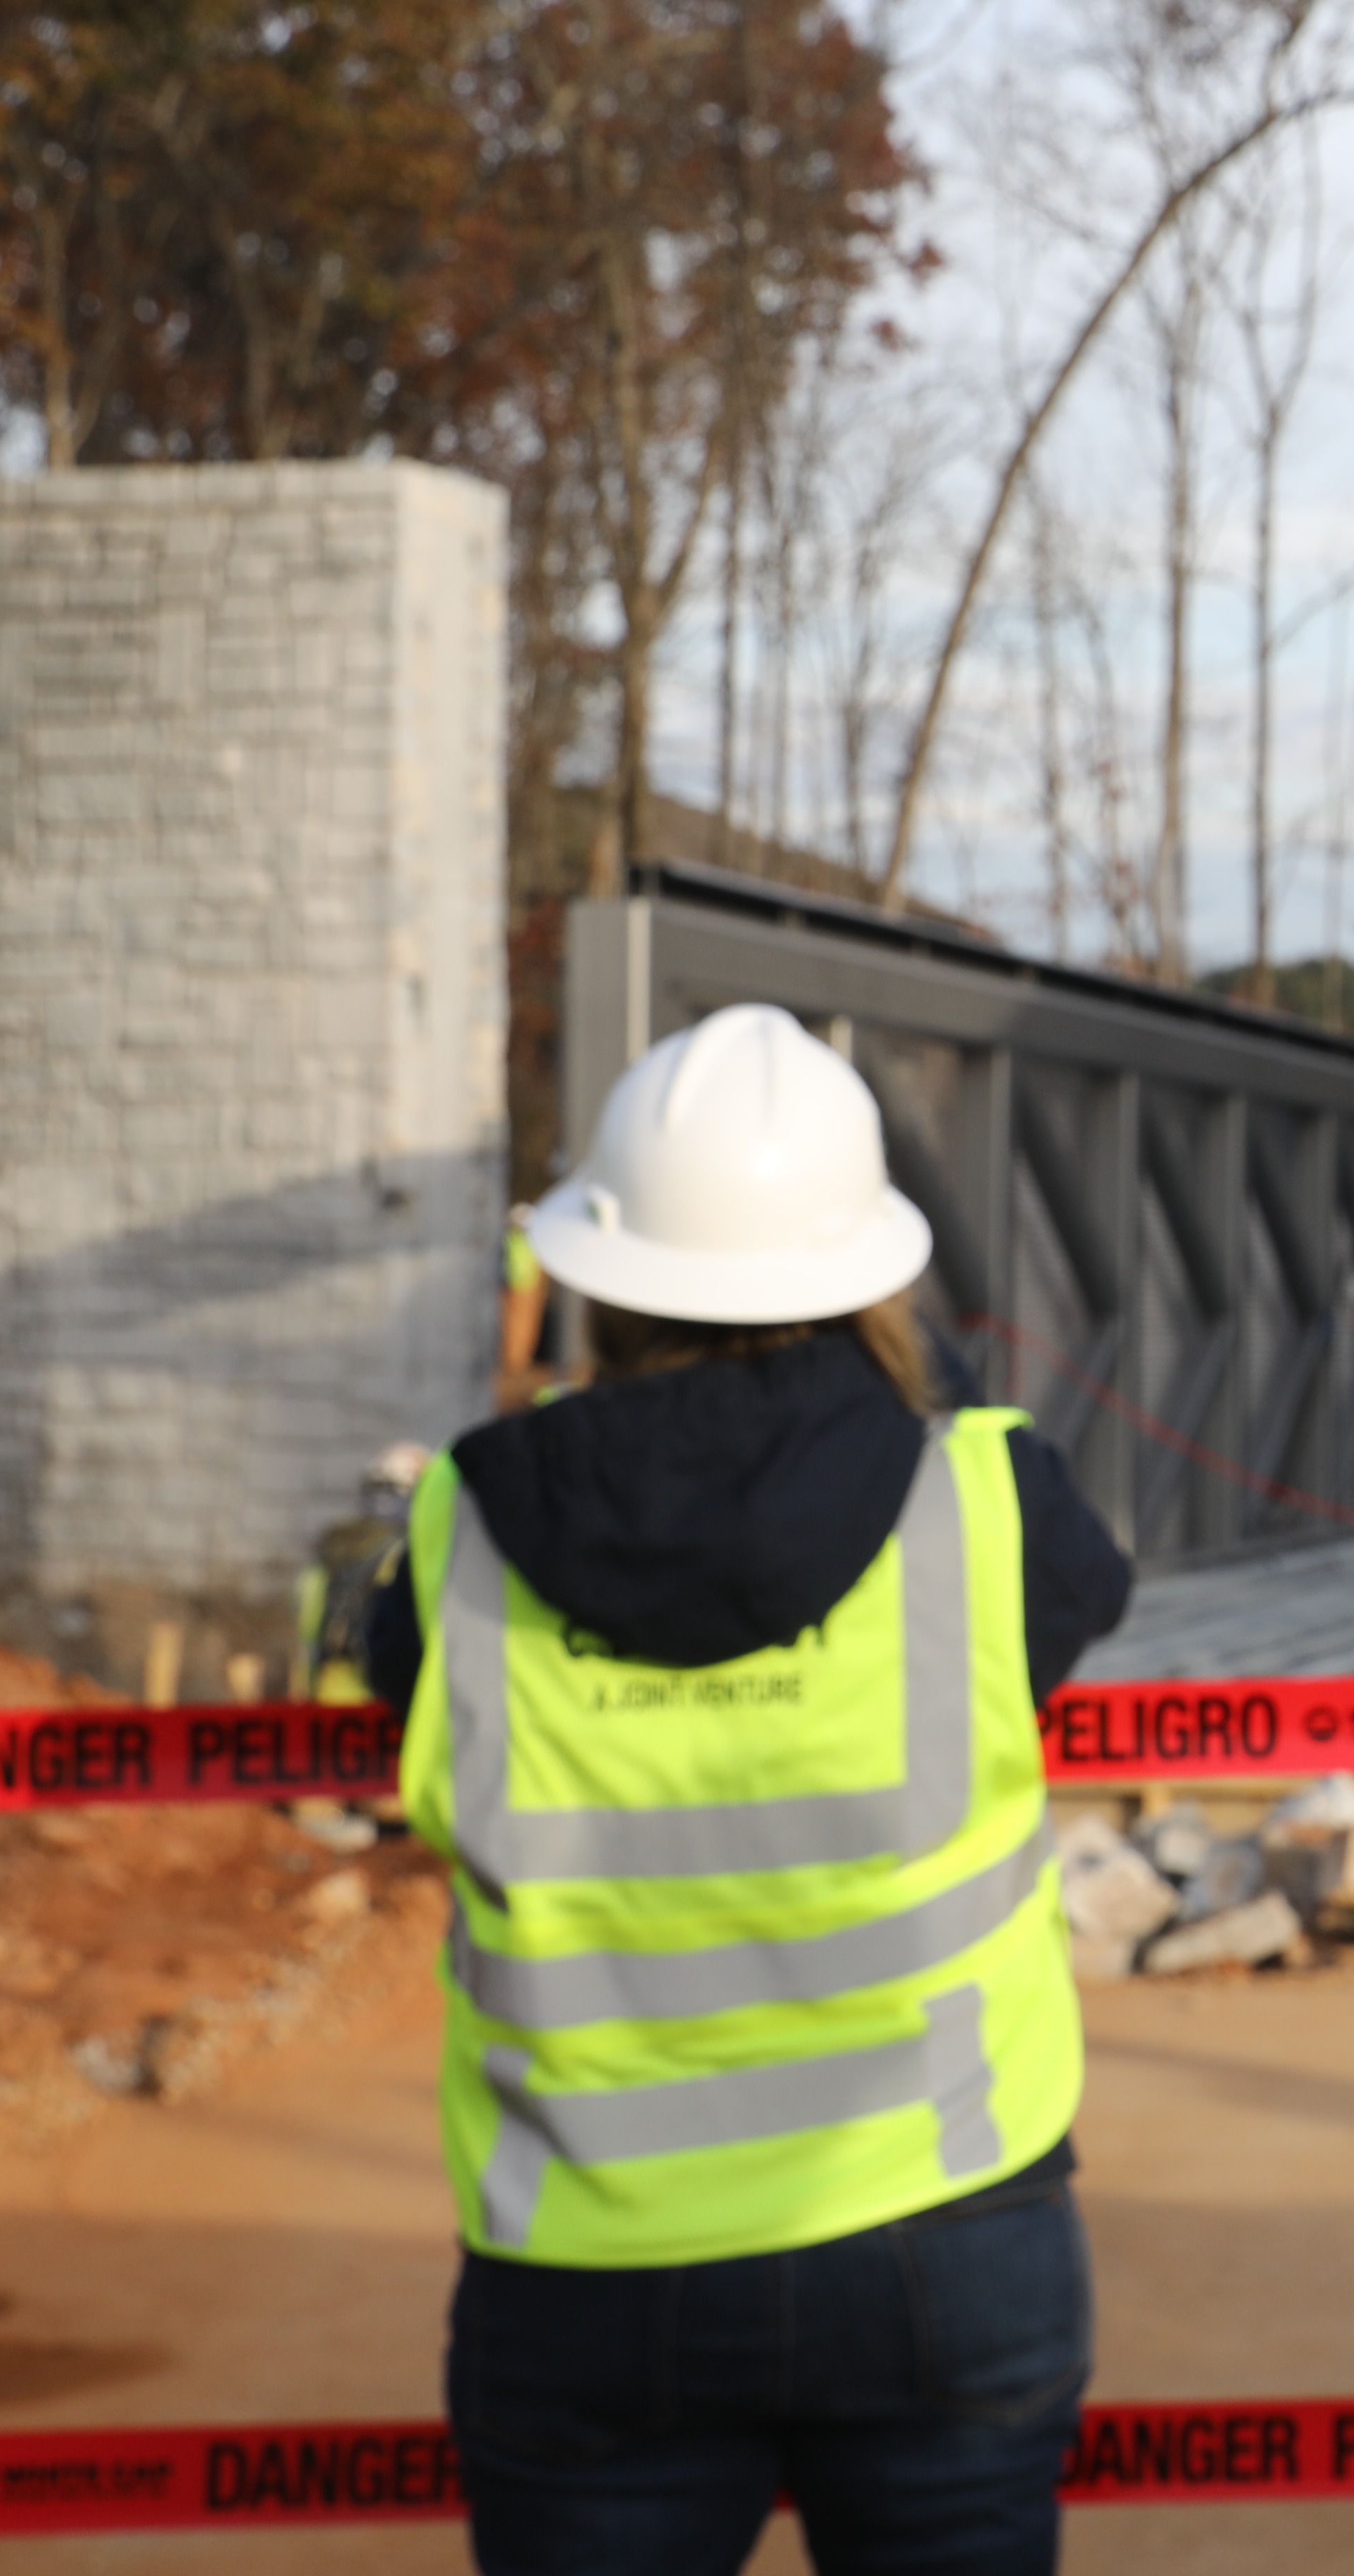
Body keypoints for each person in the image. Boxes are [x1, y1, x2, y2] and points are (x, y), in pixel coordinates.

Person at [366, 1004, 1136, 2575]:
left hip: (589, 2267)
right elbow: (1080, 1588)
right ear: (872, 1271)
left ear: (598, 1276)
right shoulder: (986, 1502)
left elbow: (393, 1666)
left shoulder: (464, 1524)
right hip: (944, 2232)